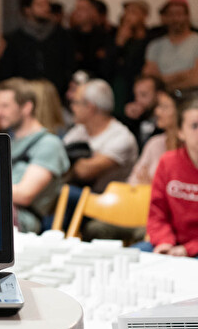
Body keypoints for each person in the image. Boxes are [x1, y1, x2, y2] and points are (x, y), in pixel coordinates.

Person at [83, 89, 181, 243]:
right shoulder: (154, 144)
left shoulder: (190, 152)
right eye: (157, 107)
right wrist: (150, 188)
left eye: (164, 107)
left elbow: (177, 194)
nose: (157, 112)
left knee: (143, 238)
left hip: (162, 219)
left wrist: (151, 188)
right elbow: (134, 181)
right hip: (134, 208)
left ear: (180, 113)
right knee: (95, 228)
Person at [0, 78, 70, 233]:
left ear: (27, 107)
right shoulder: (8, 140)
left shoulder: (49, 144)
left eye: (5, 106)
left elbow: (25, 194)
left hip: (22, 220)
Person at [134, 98, 198, 257]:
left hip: (193, 248)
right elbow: (157, 214)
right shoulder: (168, 162)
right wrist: (164, 242)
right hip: (169, 243)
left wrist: (187, 249)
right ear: (180, 132)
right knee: (130, 259)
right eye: (195, 126)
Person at [0, 0, 74, 99]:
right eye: (40, 5)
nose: (46, 8)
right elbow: (5, 74)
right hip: (25, 98)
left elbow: (69, 66)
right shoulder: (14, 40)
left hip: (56, 98)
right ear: (27, 10)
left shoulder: (62, 35)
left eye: (47, 4)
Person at [63, 79, 138, 193]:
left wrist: (67, 160)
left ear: (90, 107)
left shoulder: (121, 137)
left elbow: (84, 172)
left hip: (108, 204)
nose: (72, 107)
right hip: (78, 197)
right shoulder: (79, 130)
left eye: (75, 102)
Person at [143, 0, 198, 93]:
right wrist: (182, 75)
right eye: (171, 14)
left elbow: (195, 79)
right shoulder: (155, 46)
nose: (175, 19)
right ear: (165, 18)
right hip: (163, 98)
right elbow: (150, 79)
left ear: (187, 16)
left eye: (179, 14)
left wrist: (164, 79)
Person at [122, 75, 166, 150]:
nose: (138, 100)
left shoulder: (166, 122)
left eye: (143, 95)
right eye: (136, 95)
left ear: (159, 95)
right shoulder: (134, 121)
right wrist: (128, 119)